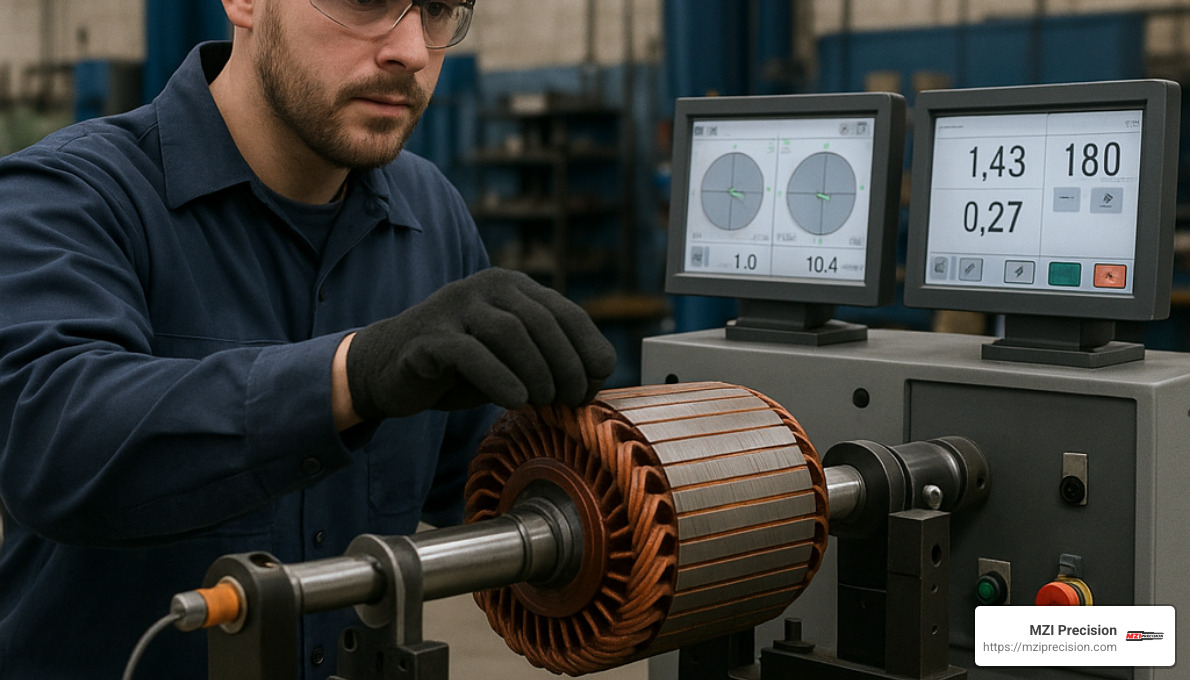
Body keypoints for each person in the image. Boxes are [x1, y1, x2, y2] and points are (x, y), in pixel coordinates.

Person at [0, 0, 616, 678]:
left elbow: (486, 477)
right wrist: (354, 375)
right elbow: (52, 441)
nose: (411, 49)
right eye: (366, 1)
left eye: (439, 9)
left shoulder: (429, 216)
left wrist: (652, 469)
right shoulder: (68, 195)